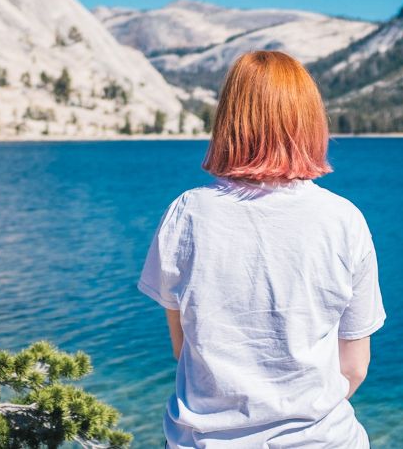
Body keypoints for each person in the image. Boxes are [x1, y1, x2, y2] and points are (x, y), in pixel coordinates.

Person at [138, 50, 386, 448]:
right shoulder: (343, 220)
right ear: (309, 121)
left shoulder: (187, 213)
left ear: (229, 120)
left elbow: (183, 346)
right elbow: (354, 368)